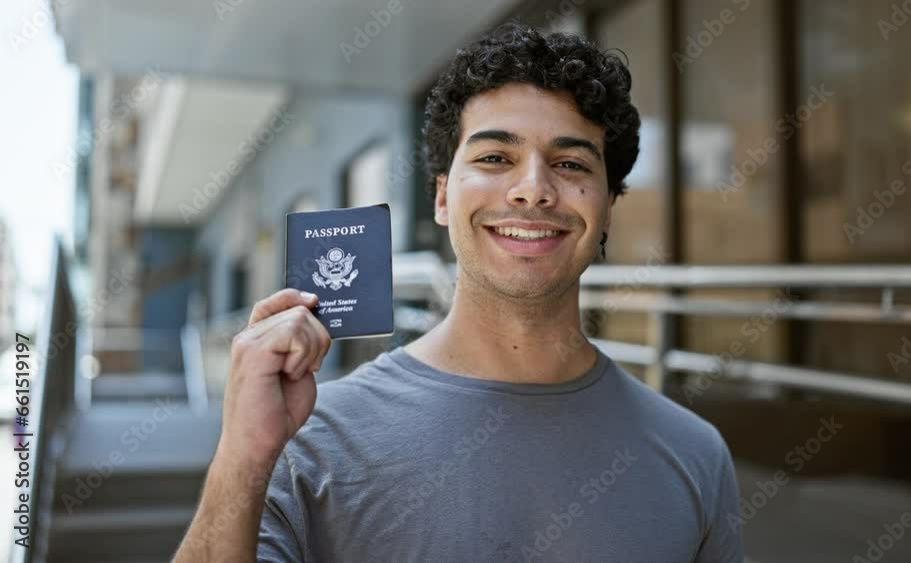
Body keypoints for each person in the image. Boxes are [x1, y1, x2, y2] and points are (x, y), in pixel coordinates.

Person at [174, 21, 743, 563]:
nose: (533, 190)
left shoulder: (695, 454)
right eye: (496, 157)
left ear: (607, 209)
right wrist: (242, 459)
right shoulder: (308, 438)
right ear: (443, 198)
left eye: (570, 163)